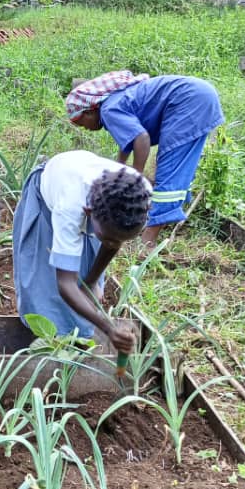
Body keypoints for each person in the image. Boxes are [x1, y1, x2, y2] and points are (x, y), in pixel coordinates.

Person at [12, 150, 152, 353]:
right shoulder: (69, 206)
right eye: (108, 239)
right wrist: (109, 328)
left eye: (120, 239)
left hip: (98, 211)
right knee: (44, 288)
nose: (114, 244)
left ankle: (78, 344)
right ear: (88, 212)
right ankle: (48, 347)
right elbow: (65, 283)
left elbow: (114, 241)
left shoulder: (138, 198)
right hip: (49, 196)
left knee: (86, 291)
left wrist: (91, 282)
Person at [65, 71, 224, 245]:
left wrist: (135, 180)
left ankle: (149, 239)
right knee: (181, 168)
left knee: (170, 168)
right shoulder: (114, 103)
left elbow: (141, 138)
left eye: (82, 124)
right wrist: (120, 168)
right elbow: (128, 140)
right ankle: (161, 221)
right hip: (199, 96)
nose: (85, 129)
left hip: (188, 101)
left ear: (89, 112)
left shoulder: (108, 110)